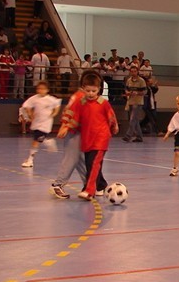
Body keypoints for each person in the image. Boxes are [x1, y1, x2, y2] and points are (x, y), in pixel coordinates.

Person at [56, 71, 118, 200]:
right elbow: (73, 114)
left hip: (95, 137)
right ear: (83, 87)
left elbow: (111, 117)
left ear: (98, 89)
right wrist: (65, 125)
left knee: (89, 162)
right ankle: (96, 185)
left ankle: (91, 188)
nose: (90, 93)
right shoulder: (81, 100)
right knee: (82, 161)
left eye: (93, 91)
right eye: (88, 90)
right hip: (82, 136)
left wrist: (114, 127)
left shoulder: (101, 103)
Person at [20, 81, 61, 168]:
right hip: (36, 123)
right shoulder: (34, 98)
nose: (41, 90)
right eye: (39, 89)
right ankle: (48, 142)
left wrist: (54, 113)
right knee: (38, 140)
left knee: (35, 141)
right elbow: (27, 105)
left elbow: (57, 105)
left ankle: (30, 160)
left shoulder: (51, 99)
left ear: (47, 90)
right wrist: (30, 114)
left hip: (45, 124)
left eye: (43, 89)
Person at [122, 65, 147, 142]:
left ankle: (128, 135)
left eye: (135, 71)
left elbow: (145, 91)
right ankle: (139, 137)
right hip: (130, 101)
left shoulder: (141, 81)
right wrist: (128, 93)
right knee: (135, 120)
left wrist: (138, 93)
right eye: (132, 71)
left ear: (137, 72)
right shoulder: (129, 80)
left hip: (138, 102)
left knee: (133, 119)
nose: (133, 73)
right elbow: (126, 89)